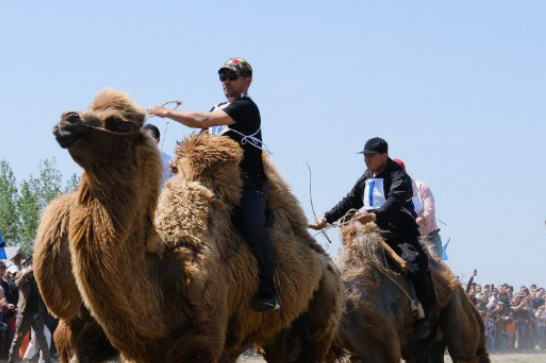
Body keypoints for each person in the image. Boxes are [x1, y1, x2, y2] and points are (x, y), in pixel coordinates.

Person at [148, 57, 278, 311]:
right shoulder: (217, 108)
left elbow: (201, 121)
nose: (226, 82)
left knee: (253, 226)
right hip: (213, 186)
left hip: (247, 186)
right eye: (223, 77)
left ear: (247, 81)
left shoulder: (245, 108)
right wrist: (180, 157)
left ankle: (268, 288)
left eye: (232, 76)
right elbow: (198, 140)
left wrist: (166, 113)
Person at [310, 137, 436, 340]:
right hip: (370, 235)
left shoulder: (399, 176)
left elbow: (395, 201)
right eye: (365, 156)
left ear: (384, 156)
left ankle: (424, 314)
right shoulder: (367, 175)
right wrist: (326, 218)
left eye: (371, 156)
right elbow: (351, 199)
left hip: (400, 235)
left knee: (417, 267)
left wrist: (376, 216)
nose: (366, 160)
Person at [391, 159, 444, 260]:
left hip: (430, 238)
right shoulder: (391, 195)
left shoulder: (421, 187)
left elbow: (429, 212)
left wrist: (412, 224)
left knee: (438, 270)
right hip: (407, 241)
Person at [7, 260, 52, 363]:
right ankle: (11, 361)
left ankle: (47, 361)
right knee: (18, 338)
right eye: (33, 264)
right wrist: (27, 272)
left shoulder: (40, 277)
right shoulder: (21, 274)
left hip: (37, 312)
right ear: (28, 265)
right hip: (24, 312)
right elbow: (16, 284)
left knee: (42, 337)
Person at [143, 123, 175, 187]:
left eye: (151, 138)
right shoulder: (135, 161)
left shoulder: (169, 161)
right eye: (144, 139)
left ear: (158, 140)